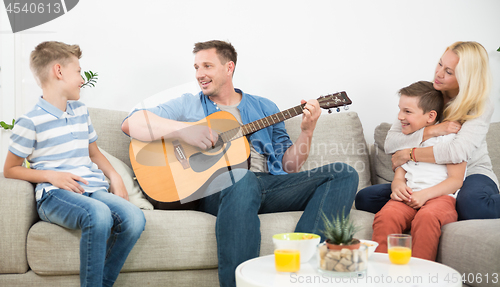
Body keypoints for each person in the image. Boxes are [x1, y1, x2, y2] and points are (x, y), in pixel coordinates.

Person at [121, 40, 359, 287]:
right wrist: (184, 131)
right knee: (242, 178)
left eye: (207, 66)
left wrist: (307, 132)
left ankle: (300, 267)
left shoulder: (265, 107)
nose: (199, 74)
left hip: (268, 187)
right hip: (216, 192)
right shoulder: (188, 104)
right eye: (196, 67)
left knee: (344, 174)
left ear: (229, 67)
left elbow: (289, 167)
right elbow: (131, 123)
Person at [3, 41, 146, 287]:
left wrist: (116, 178)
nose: (82, 78)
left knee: (134, 218)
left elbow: (94, 153)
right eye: (78, 71)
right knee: (99, 215)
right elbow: (9, 169)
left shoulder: (81, 111)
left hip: (92, 188)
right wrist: (51, 176)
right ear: (59, 71)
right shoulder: (30, 122)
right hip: (55, 195)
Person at [356, 41, 500, 220]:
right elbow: (391, 142)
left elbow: (457, 152)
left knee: (474, 207)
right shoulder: (426, 94)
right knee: (366, 198)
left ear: (466, 78)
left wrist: (409, 154)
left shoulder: (480, 105)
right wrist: (432, 131)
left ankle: (449, 202)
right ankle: (439, 203)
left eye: (448, 72)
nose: (438, 74)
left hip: (470, 173)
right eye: (440, 64)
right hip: (427, 175)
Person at [370, 81, 466, 261]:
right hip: (409, 195)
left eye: (407, 111)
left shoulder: (451, 139)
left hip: (440, 198)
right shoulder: (408, 139)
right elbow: (401, 173)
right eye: (400, 110)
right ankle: (379, 273)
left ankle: (421, 276)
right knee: (386, 216)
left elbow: (455, 180)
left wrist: (425, 195)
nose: (399, 116)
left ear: (430, 116)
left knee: (427, 218)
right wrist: (397, 185)